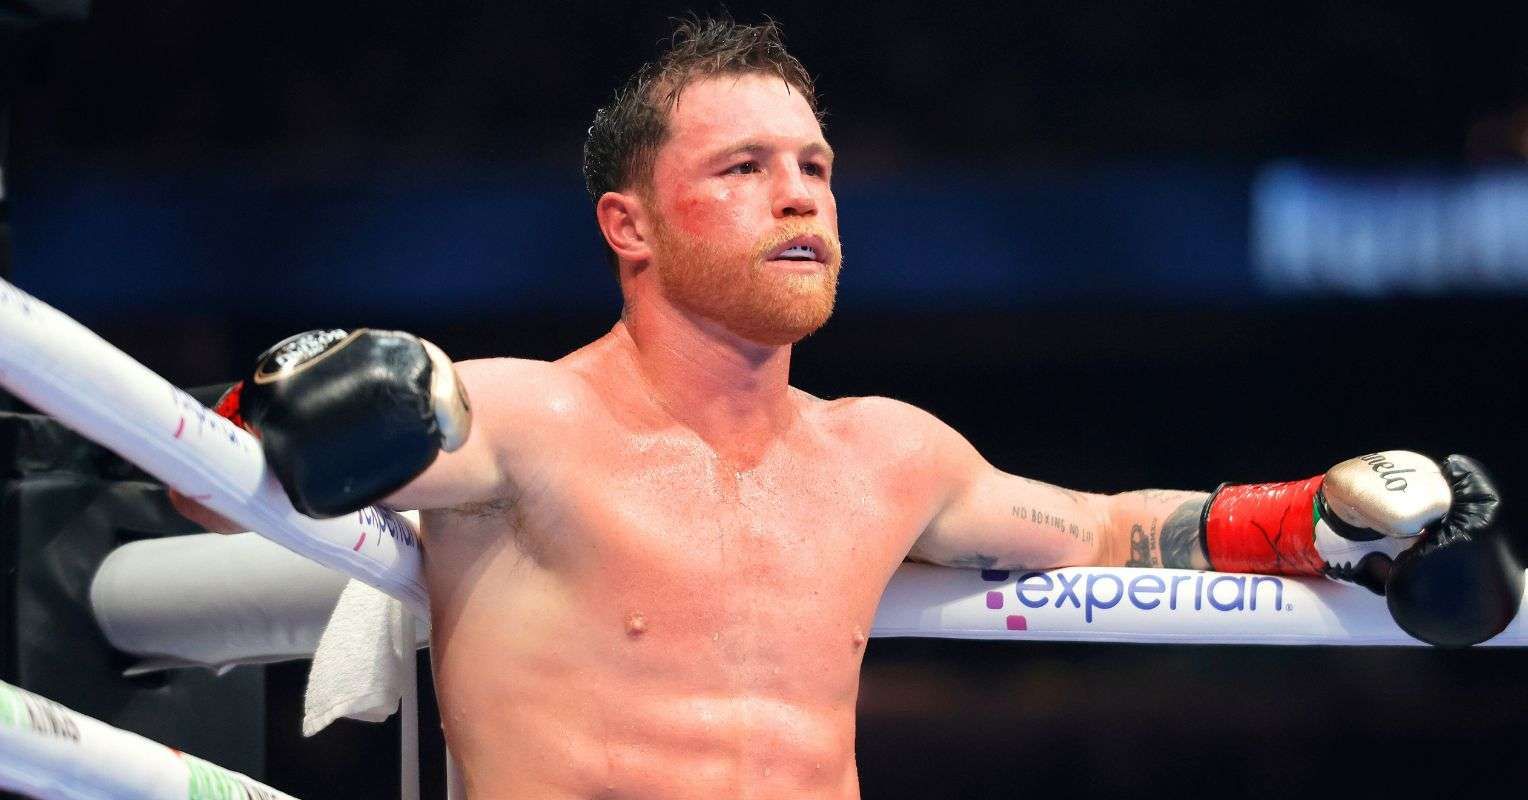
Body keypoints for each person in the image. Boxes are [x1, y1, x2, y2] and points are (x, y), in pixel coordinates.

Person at [172, 18, 1519, 799]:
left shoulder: (885, 452)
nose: (800, 194)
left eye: (815, 166)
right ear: (627, 226)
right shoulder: (520, 422)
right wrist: (280, 403)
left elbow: (1113, 532)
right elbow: (205, 481)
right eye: (744, 167)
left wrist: (1321, 519)